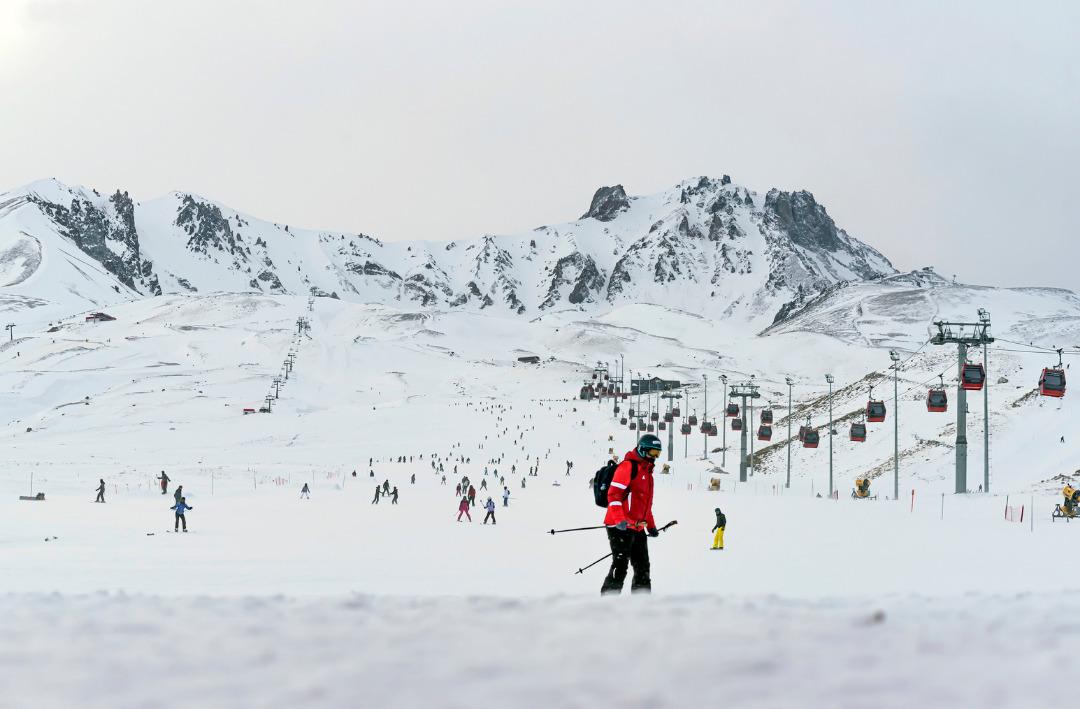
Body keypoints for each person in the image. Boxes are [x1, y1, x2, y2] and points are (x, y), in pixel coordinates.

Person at [601, 434, 661, 596]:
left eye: (658, 454)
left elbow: (645, 505)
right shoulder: (628, 467)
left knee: (643, 566)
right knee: (620, 564)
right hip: (618, 525)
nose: (655, 457)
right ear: (642, 450)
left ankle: (641, 603)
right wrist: (619, 520)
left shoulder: (648, 474)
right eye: (653, 453)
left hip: (637, 527)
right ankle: (608, 602)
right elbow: (613, 495)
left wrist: (652, 526)